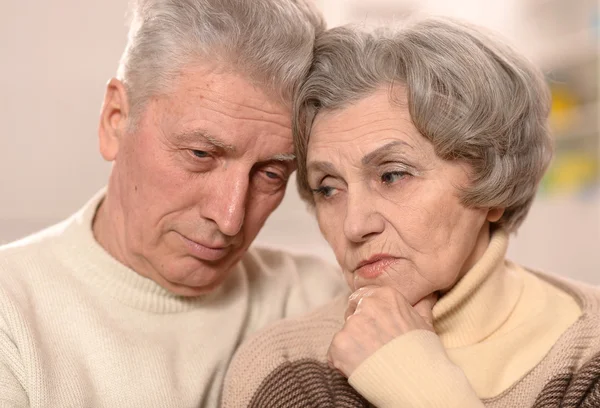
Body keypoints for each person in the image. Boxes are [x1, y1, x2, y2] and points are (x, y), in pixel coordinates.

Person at [222, 17, 600, 408]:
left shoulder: (589, 354)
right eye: (329, 188)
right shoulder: (290, 369)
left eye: (392, 175)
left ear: (493, 179)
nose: (354, 225)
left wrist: (414, 381)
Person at [0, 0, 346, 406]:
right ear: (116, 119)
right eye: (200, 154)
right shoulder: (12, 313)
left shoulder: (324, 299)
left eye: (270, 173)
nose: (230, 218)